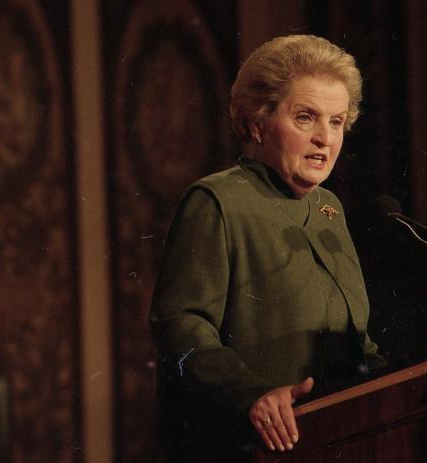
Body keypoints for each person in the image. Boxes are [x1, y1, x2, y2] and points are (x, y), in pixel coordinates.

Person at [150, 34, 384, 462]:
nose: (324, 139)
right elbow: (180, 327)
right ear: (257, 122)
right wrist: (252, 396)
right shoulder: (218, 201)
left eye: (336, 122)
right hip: (254, 448)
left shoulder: (329, 210)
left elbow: (357, 343)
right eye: (305, 118)